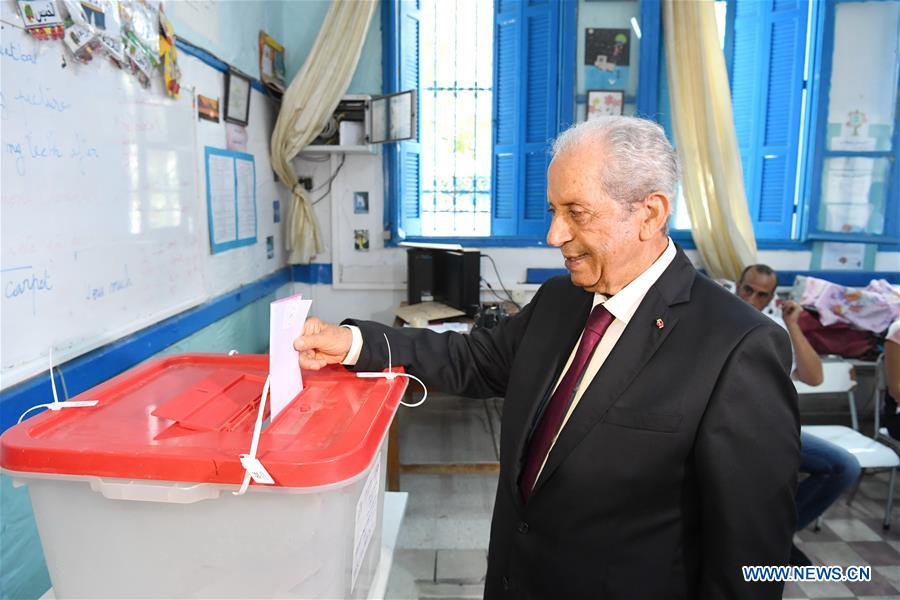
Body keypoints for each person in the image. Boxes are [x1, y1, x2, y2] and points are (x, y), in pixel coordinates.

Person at [295, 117, 799, 599]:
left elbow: (749, 559)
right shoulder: (561, 300)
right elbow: (474, 359)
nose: (554, 235)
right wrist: (356, 344)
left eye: (577, 213)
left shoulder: (738, 347)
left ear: (649, 214)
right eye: (553, 211)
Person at [737, 265, 861, 565]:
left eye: (762, 294)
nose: (752, 298)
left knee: (843, 466)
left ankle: (776, 536)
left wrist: (793, 324)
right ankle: (756, 540)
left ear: (771, 299)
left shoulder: (774, 328)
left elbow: (814, 377)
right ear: (737, 285)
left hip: (771, 431)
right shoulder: (716, 316)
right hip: (728, 430)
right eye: (748, 289)